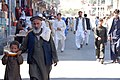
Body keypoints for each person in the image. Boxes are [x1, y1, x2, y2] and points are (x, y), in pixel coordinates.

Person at [20, 15, 58, 80]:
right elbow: (24, 46)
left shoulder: (47, 33)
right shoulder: (30, 35)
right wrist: (18, 52)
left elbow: (52, 46)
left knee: (44, 77)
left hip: (45, 60)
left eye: (38, 23)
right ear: (32, 24)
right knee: (34, 76)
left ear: (41, 24)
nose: (36, 26)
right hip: (33, 60)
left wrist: (55, 58)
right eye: (34, 24)